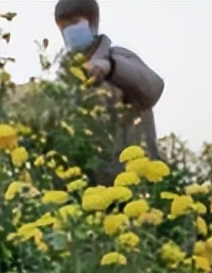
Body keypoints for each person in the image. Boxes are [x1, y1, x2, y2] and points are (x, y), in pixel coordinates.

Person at [54, 0, 165, 183]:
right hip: (93, 188)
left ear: (93, 22)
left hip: (137, 182)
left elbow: (153, 87)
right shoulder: (68, 79)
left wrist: (110, 68)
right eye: (63, 27)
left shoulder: (119, 58)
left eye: (74, 23)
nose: (68, 32)